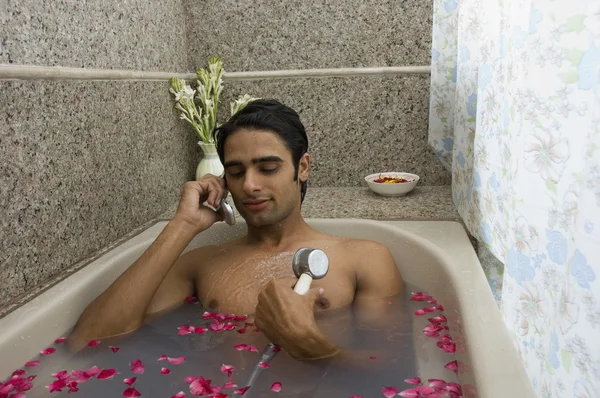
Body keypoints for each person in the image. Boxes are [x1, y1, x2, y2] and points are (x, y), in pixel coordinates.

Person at [70, 99, 404, 361]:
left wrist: (311, 346)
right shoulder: (201, 264)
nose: (250, 185)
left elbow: (387, 364)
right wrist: (184, 225)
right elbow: (90, 340)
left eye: (268, 167)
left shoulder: (365, 258)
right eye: (236, 171)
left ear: (302, 167)